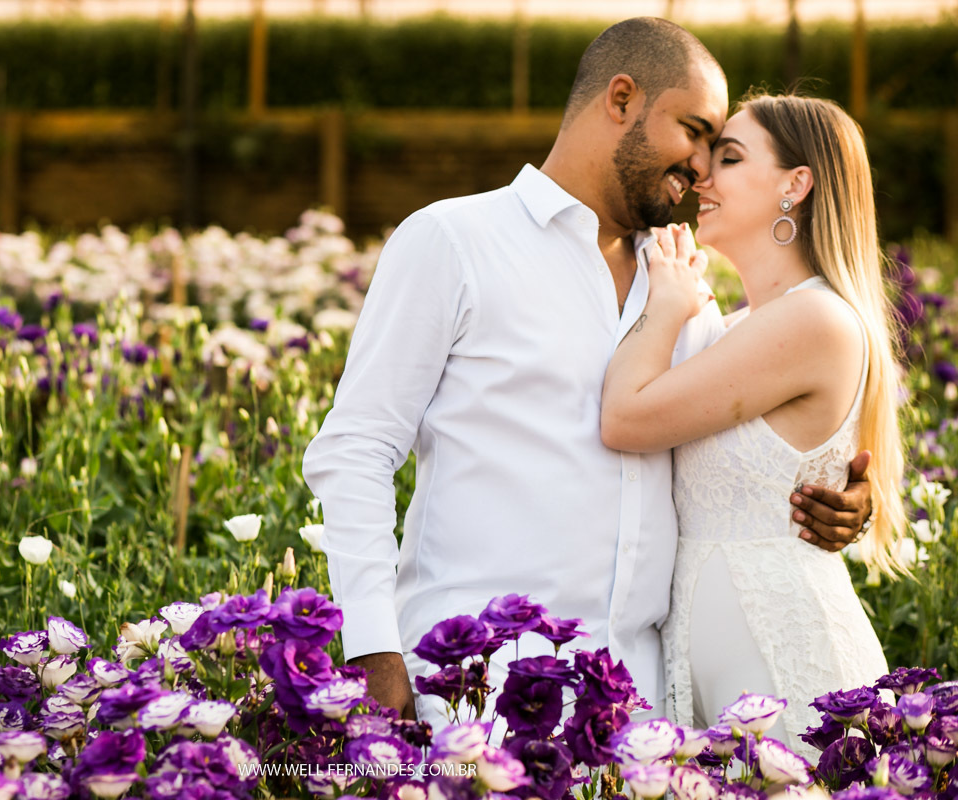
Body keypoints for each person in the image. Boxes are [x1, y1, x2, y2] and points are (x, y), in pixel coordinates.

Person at [301, 18, 872, 735]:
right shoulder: (454, 241)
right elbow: (354, 450)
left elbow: (738, 443)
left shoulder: (686, 290)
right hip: (476, 695)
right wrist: (374, 651)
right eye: (694, 131)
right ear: (622, 99)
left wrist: (829, 494)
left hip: (639, 713)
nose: (701, 167)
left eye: (718, 148)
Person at [599, 92, 904, 754]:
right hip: (713, 670)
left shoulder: (814, 319)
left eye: (729, 158)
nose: (701, 176)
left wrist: (666, 302)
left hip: (788, 662)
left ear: (797, 184)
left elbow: (624, 417)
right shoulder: (737, 329)